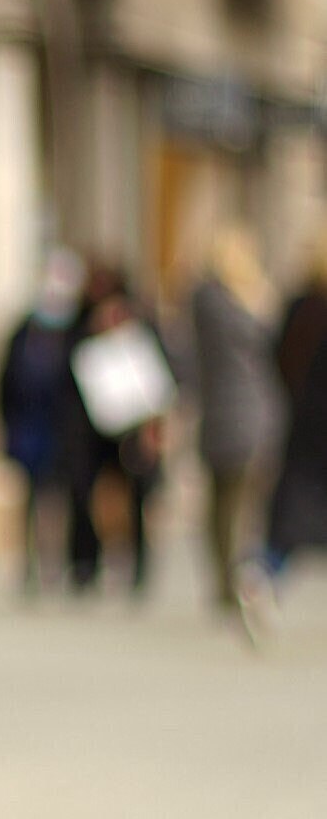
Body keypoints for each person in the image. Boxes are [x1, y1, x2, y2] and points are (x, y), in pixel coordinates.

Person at [189, 224, 285, 613]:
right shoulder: (246, 305)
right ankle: (240, 577)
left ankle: (228, 579)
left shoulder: (207, 302)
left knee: (223, 505)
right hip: (251, 414)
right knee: (238, 505)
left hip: (222, 415)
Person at [59, 262, 169, 595]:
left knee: (137, 492)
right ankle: (84, 563)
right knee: (82, 491)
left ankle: (138, 567)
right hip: (88, 423)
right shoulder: (79, 324)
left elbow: (160, 374)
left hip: (132, 420)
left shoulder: (141, 324)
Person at [0, 247, 86, 594]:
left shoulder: (76, 332)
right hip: (30, 428)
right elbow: (6, 380)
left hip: (64, 430)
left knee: (59, 497)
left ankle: (57, 560)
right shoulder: (24, 331)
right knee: (31, 496)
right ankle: (30, 562)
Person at [267, 226, 327, 572]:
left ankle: (267, 572)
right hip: (312, 420)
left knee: (292, 508)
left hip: (302, 416)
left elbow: (278, 357)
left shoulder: (298, 307)